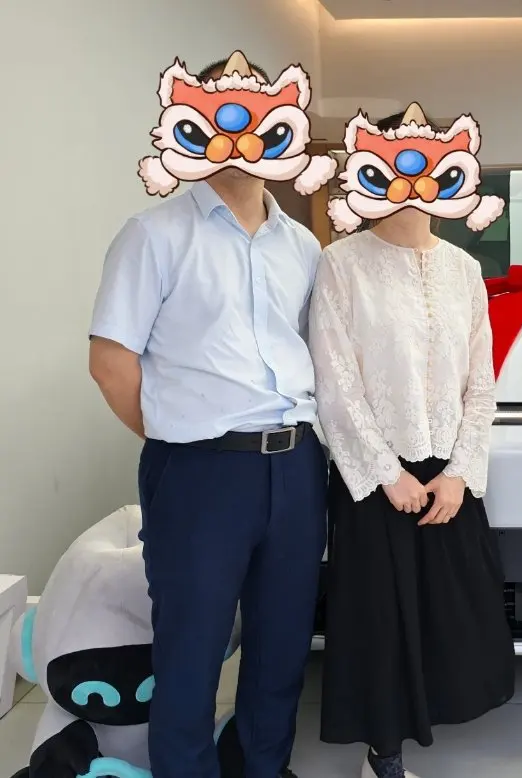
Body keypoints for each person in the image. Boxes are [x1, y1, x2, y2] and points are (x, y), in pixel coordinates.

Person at [88, 55, 327, 778]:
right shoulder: (153, 234)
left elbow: (312, 348)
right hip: (199, 471)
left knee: (282, 647)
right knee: (190, 653)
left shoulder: (304, 246)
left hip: (296, 465)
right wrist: (182, 433)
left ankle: (263, 767)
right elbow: (111, 362)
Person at [309, 107, 516, 778]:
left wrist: (460, 471)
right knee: (378, 620)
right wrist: (383, 471)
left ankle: (430, 721)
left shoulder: (464, 270)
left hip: (448, 474)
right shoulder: (341, 264)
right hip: (377, 474)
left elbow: (481, 382)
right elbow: (335, 379)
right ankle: (384, 754)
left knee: (447, 613)